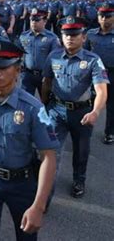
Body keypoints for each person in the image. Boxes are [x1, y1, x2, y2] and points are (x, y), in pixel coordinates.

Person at [0, 39, 58, 241]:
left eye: (4, 68)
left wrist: (38, 206)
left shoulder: (33, 108)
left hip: (22, 183)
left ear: (17, 70)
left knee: (26, 236)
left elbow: (48, 156)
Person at [41, 16, 109, 198]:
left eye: (74, 35)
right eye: (66, 35)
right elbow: (46, 82)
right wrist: (44, 105)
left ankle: (79, 180)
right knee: (51, 151)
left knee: (81, 152)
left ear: (84, 37)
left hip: (82, 113)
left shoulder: (93, 60)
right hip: (57, 111)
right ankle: (45, 195)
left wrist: (95, 112)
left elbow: (101, 90)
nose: (70, 38)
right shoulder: (53, 56)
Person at [85, 3, 114, 144]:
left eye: (108, 16)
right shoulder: (90, 34)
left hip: (112, 74)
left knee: (112, 106)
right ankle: (85, 129)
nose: (104, 19)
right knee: (88, 102)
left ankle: (110, 132)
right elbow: (84, 54)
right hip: (94, 75)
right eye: (101, 16)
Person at [17, 9, 60, 96]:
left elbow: (56, 59)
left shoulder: (52, 38)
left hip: (44, 76)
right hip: (28, 75)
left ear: (44, 21)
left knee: (47, 102)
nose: (33, 22)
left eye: (37, 20)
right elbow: (17, 53)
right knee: (25, 102)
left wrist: (50, 76)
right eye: (32, 20)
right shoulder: (24, 36)